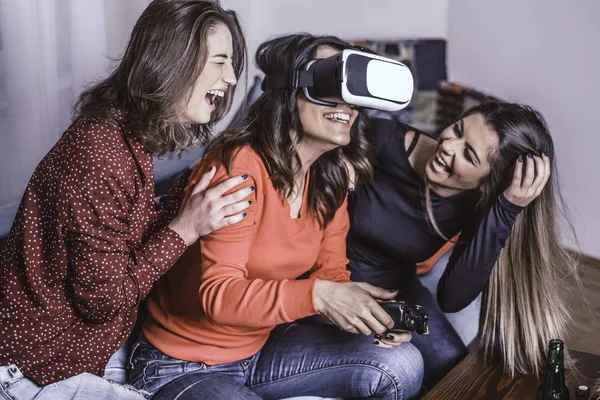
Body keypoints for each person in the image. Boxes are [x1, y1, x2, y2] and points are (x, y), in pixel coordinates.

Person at [127, 33, 424, 400]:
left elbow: (329, 275)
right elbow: (217, 295)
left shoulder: (328, 180)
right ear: (288, 90)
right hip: (180, 364)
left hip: (261, 351)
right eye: (330, 82)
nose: (345, 103)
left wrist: (369, 315)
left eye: (350, 90)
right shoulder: (238, 168)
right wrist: (318, 296)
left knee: (403, 365)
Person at [0, 1, 250, 398]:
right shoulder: (101, 154)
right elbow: (103, 300)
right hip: (36, 365)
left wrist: (191, 188)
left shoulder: (124, 139)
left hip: (82, 354)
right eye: (221, 61)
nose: (231, 76)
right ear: (173, 58)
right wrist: (185, 229)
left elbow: (123, 236)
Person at [346, 101, 580, 389]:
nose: (448, 147)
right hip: (341, 286)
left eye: (468, 154)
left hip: (399, 295)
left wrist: (505, 210)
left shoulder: (476, 204)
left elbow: (452, 298)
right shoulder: (381, 138)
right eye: (456, 130)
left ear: (484, 183)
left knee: (459, 381)